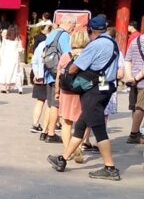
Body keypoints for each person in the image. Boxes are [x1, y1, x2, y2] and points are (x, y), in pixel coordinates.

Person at [48, 14, 122, 180]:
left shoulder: (95, 45)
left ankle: (110, 168)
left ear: (91, 30)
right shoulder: (113, 43)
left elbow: (76, 67)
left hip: (94, 90)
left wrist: (67, 71)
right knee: (81, 124)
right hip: (107, 86)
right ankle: (63, 159)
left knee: (98, 128)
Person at [40, 15, 75, 142]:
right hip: (57, 74)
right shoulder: (64, 35)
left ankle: (44, 131)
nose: (74, 28)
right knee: (55, 104)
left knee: (50, 104)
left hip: (49, 72)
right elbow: (67, 54)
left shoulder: (52, 33)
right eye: (73, 25)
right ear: (68, 23)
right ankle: (51, 133)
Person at [56, 28, 89, 162]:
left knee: (66, 122)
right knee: (82, 123)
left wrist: (56, 92)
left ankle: (67, 151)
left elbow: (59, 75)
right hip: (83, 92)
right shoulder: (88, 55)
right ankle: (79, 147)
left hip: (67, 92)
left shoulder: (66, 55)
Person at [125, 23, 144, 144]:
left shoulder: (136, 40)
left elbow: (127, 60)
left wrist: (130, 77)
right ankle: (134, 134)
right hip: (141, 80)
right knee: (140, 107)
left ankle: (136, 131)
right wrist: (137, 78)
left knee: (135, 106)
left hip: (133, 80)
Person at [30, 25, 51, 131]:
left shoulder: (41, 45)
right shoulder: (54, 45)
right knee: (50, 103)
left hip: (40, 76)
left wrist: (36, 73)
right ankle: (47, 127)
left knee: (40, 101)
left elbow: (34, 60)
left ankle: (35, 124)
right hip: (50, 76)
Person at [0, 25, 24, 93]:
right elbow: (20, 49)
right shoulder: (18, 39)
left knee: (6, 73)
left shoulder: (5, 40)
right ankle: (19, 88)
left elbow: (2, 50)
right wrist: (22, 50)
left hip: (6, 58)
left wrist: (0, 58)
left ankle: (5, 87)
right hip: (15, 58)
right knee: (16, 73)